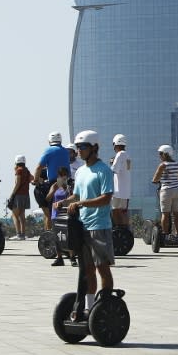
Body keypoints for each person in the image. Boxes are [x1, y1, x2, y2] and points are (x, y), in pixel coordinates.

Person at [56, 130, 114, 314]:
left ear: (94, 148)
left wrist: (80, 203)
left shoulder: (103, 170)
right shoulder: (80, 171)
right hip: (83, 225)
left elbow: (106, 198)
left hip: (99, 226)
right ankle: (90, 309)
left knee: (102, 268)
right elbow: (77, 195)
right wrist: (64, 202)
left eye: (83, 147)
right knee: (87, 271)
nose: (78, 150)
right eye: (77, 147)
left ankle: (105, 306)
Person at [33, 131, 70, 231]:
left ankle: (50, 234)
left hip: (54, 181)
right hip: (67, 181)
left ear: (49, 141)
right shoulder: (66, 151)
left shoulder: (49, 150)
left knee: (49, 211)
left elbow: (39, 167)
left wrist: (35, 180)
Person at [152, 144, 178, 236]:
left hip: (167, 190)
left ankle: (165, 235)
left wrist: (160, 180)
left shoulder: (162, 165)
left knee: (165, 214)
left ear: (164, 154)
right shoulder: (177, 164)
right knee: (177, 214)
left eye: (160, 154)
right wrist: (174, 180)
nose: (159, 156)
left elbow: (155, 179)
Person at [47, 167, 77, 266]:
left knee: (69, 236)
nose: (62, 178)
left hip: (66, 213)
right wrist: (53, 190)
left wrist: (67, 188)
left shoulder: (70, 186)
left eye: (64, 175)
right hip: (55, 214)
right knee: (56, 237)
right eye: (60, 175)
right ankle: (59, 258)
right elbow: (48, 198)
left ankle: (72, 257)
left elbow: (74, 198)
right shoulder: (55, 185)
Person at [7, 155, 33, 241]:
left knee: (14, 215)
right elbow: (32, 179)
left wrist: (12, 194)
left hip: (18, 195)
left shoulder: (19, 170)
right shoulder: (26, 170)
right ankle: (23, 234)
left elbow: (17, 184)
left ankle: (18, 234)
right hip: (26, 195)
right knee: (22, 215)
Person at [109, 134, 132, 228]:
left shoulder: (119, 155)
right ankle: (126, 230)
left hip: (118, 190)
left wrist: (111, 163)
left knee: (115, 211)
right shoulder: (127, 156)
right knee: (124, 212)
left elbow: (113, 170)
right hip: (126, 190)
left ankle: (118, 230)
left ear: (115, 144)